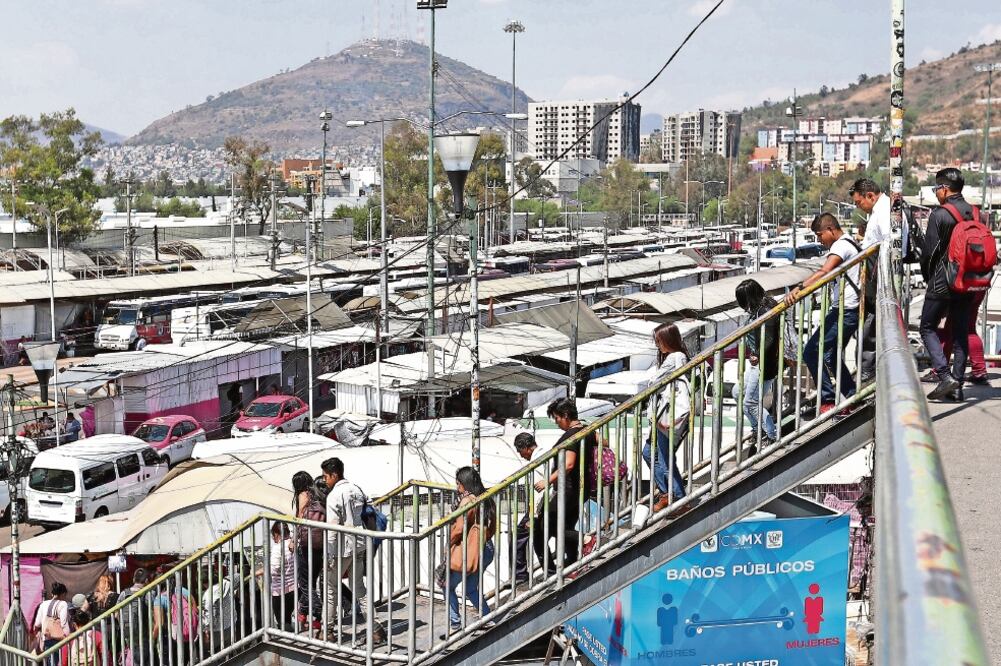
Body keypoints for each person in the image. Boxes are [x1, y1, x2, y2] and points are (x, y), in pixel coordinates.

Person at [785, 213, 862, 416]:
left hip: (846, 310)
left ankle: (828, 399)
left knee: (812, 351)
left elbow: (824, 271)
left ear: (830, 230)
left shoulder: (840, 245)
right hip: (846, 309)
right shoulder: (849, 243)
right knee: (830, 354)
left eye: (820, 235)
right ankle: (851, 395)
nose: (820, 241)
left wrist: (799, 289)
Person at [919, 168, 984, 400]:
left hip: (942, 281)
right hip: (968, 282)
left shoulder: (940, 214)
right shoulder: (976, 213)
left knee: (926, 327)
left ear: (945, 189)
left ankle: (945, 376)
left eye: (937, 189)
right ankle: (956, 388)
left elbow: (930, 253)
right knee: (960, 332)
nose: (937, 193)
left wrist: (928, 276)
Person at [322, 457, 385, 644]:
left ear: (334, 475)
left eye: (326, 476)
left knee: (330, 588)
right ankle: (375, 627)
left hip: (341, 549)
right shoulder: (356, 489)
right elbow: (368, 511)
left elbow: (332, 530)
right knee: (359, 588)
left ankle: (328, 630)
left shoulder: (334, 496)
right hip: (360, 543)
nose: (325, 480)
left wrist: (328, 555)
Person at [533, 399, 593, 574]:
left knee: (549, 526)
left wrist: (547, 481)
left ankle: (587, 540)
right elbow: (602, 442)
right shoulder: (586, 430)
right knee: (565, 529)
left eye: (557, 418)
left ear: (566, 416)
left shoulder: (571, 436)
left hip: (568, 489)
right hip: (581, 488)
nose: (557, 423)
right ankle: (575, 566)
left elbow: (568, 464)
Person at [443, 466, 497, 636]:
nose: (457, 487)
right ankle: (487, 619)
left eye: (458, 483)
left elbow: (459, 528)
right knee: (470, 588)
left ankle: (455, 622)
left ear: (463, 484)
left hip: (471, 551)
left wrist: (449, 544)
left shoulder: (467, 501)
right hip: (486, 548)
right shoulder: (487, 498)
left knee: (446, 585)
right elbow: (493, 527)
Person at [643, 324, 692, 512]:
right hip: (661, 414)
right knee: (649, 453)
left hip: (669, 414)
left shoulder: (676, 356)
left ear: (668, 339)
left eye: (659, 341)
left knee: (664, 458)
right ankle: (666, 493)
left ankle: (678, 498)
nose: (658, 345)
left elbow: (681, 378)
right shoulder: (669, 357)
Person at [851, 178, 891, 381]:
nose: (860, 207)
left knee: (869, 326)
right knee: (868, 326)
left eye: (859, 203)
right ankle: (867, 369)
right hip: (874, 276)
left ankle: (867, 371)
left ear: (870, 196)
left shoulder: (883, 211)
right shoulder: (879, 211)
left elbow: (888, 243)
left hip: (877, 279)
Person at [734, 280, 780, 445]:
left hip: (764, 364)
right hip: (758, 363)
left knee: (750, 401)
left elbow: (769, 338)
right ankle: (758, 429)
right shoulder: (759, 310)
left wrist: (758, 355)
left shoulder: (764, 312)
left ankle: (770, 434)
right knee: (737, 393)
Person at [292, 470, 327, 629]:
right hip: (321, 543)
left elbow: (299, 519)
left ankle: (319, 613)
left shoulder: (303, 495)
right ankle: (304, 614)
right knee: (311, 581)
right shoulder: (319, 494)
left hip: (307, 544)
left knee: (305, 584)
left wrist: (293, 540)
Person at [512, 432, 539, 583]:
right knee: (539, 541)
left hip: (538, 508)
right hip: (537, 507)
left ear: (526, 448)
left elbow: (542, 489)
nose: (520, 455)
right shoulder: (540, 455)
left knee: (518, 537)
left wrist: (533, 514)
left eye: (519, 451)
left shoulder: (537, 459)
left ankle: (520, 575)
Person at [200, 563, 236, 651]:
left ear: (205, 582)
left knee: (214, 653)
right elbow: (237, 576)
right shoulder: (226, 583)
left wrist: (206, 632)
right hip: (230, 624)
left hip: (216, 630)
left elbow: (208, 615)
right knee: (228, 651)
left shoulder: (208, 594)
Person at [267, 522, 296, 631]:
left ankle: (288, 643)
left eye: (273, 536)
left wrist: (265, 570)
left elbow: (274, 570)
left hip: (279, 592)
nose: (273, 538)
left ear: (277, 534)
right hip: (294, 589)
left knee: (282, 622)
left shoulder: (277, 548)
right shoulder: (294, 543)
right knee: (287, 617)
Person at [34, 582, 70, 664]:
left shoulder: (43, 604)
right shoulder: (63, 604)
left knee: (49, 662)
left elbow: (37, 623)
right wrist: (68, 637)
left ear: (52, 593)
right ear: (63, 594)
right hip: (59, 640)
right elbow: (64, 624)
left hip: (46, 639)